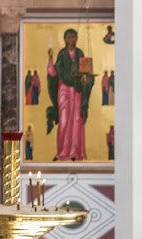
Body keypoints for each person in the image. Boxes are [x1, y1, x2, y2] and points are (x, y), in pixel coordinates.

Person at [46, 28, 94, 161]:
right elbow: (53, 72)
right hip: (64, 91)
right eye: (69, 37)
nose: (71, 39)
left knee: (77, 121)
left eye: (73, 36)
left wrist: (86, 77)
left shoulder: (80, 53)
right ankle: (62, 152)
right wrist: (50, 58)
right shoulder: (62, 54)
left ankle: (75, 152)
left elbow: (86, 72)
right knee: (64, 120)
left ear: (76, 38)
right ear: (65, 39)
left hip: (77, 91)